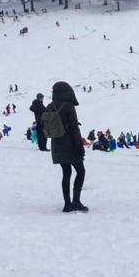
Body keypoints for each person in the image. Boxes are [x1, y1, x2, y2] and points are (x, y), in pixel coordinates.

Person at [48, 81, 88, 213]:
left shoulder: (50, 106)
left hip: (56, 145)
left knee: (66, 173)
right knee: (81, 172)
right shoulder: (69, 106)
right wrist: (79, 146)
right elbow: (74, 129)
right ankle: (76, 201)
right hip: (70, 145)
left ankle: (67, 204)